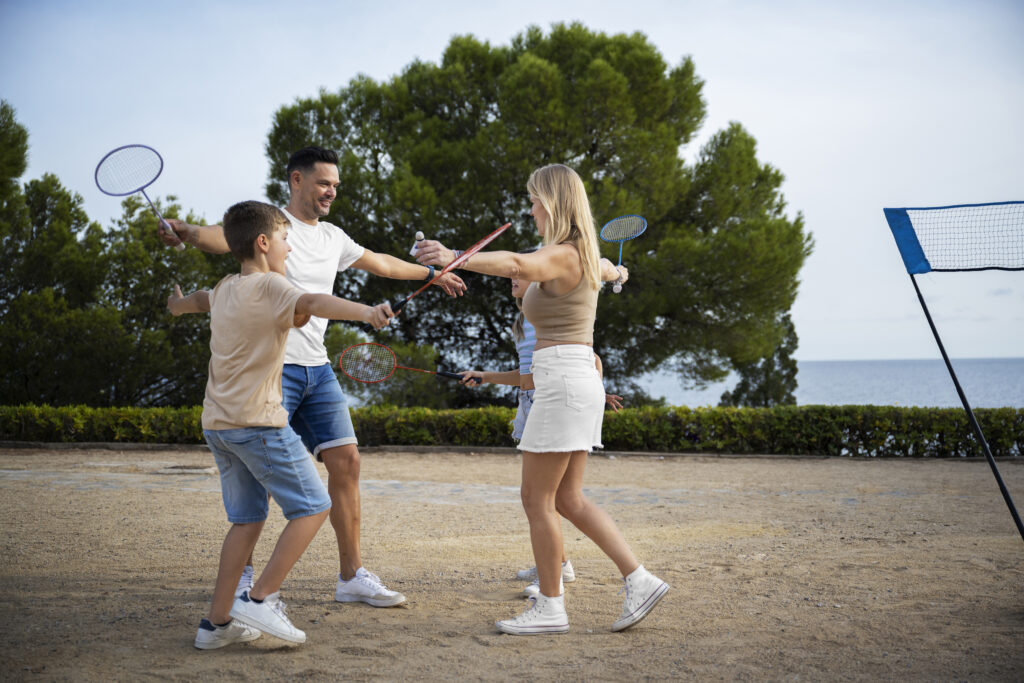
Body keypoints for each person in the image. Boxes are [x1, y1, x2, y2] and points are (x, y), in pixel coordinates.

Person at [161, 147, 465, 607]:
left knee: (347, 463)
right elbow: (222, 239)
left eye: (336, 185)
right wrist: (185, 232)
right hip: (273, 371)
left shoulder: (334, 237)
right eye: (325, 183)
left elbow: (382, 263)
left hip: (317, 369)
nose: (332, 192)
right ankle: (246, 581)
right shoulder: (270, 227)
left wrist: (433, 272)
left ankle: (351, 576)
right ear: (297, 180)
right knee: (260, 477)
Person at [417, 163, 669, 635]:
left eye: (534, 200)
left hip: (561, 381)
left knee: (537, 498)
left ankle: (552, 607)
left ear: (551, 203)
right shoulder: (584, 255)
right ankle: (639, 578)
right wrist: (616, 273)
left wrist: (454, 255)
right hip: (574, 380)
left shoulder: (564, 254)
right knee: (568, 499)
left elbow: (515, 264)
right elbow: (600, 268)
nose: (530, 209)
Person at [168, 200, 394, 648]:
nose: (290, 249)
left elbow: (198, 301)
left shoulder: (226, 286)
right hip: (258, 424)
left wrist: (175, 306)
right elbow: (311, 300)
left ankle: (216, 626)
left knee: (247, 521)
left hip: (218, 425)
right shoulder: (274, 286)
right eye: (286, 239)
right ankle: (259, 598)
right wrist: (367, 312)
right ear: (264, 242)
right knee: (313, 506)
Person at [456, 274, 625, 599]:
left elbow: (589, 359)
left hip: (552, 400)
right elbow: (527, 376)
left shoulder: (546, 314)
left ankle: (558, 575)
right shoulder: (524, 319)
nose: (513, 277)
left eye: (522, 273)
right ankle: (556, 563)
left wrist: (594, 390)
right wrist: (486, 376)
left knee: (549, 498)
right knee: (550, 497)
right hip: (535, 400)